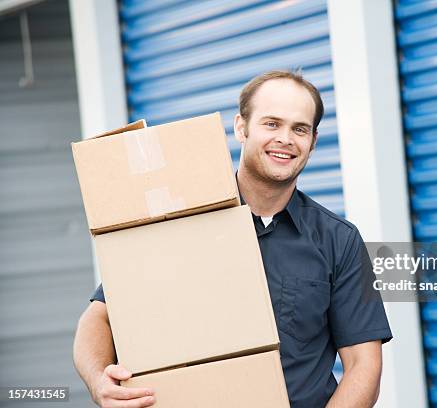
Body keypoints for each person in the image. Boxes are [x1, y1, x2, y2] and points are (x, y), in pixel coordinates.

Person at [73, 70, 392, 408]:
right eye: (271, 124)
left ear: (312, 142)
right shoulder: (181, 220)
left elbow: (363, 365)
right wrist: (98, 382)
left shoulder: (340, 240)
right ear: (241, 127)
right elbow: (98, 318)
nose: (285, 138)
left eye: (300, 129)